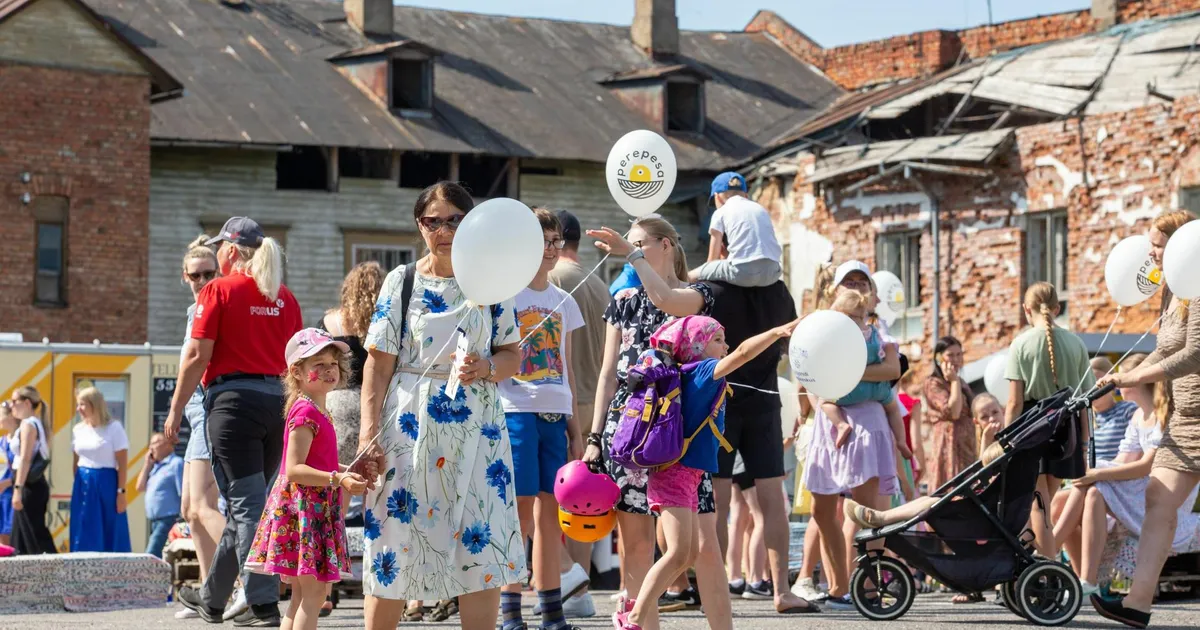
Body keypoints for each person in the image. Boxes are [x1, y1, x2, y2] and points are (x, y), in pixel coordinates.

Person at [356, 182, 525, 630]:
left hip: (478, 431)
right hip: (407, 426)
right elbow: (377, 361)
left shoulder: (493, 282)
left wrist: (487, 367)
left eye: (456, 219)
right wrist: (366, 433)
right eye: (435, 221)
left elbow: (514, 355)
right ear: (420, 226)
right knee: (393, 540)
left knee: (479, 541)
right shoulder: (402, 280)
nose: (445, 229)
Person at [582, 217, 735, 624]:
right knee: (636, 545)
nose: (628, 251)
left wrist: (630, 255)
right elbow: (607, 371)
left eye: (637, 244)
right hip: (630, 429)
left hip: (682, 431)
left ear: (665, 244)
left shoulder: (697, 294)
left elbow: (666, 299)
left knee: (703, 546)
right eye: (628, 246)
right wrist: (595, 436)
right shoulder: (624, 298)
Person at [616, 316, 804, 630]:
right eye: (717, 340)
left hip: (688, 476)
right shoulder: (701, 370)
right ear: (697, 346)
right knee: (677, 553)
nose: (725, 346)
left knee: (686, 554)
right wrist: (775, 332)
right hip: (675, 475)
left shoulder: (693, 374)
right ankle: (632, 616)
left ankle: (633, 611)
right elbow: (743, 353)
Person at [168, 216, 303, 626]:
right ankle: (212, 600)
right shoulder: (285, 298)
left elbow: (196, 356)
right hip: (277, 404)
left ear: (229, 251)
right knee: (251, 506)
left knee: (247, 506)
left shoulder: (218, 290)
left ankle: (262, 600)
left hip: (232, 406)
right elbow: (297, 361)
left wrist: (175, 411)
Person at [1091, 210, 1200, 628]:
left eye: (1157, 244)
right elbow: (1163, 348)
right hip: (1187, 418)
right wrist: (1122, 373)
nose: (1150, 253)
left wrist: (1136, 376)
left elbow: (1193, 354)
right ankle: (1137, 604)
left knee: (1160, 499)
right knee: (1158, 498)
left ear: (1183, 245)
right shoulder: (1173, 289)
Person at [703, 236, 811, 615]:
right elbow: (790, 345)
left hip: (721, 397)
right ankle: (781, 590)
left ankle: (713, 589)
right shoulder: (779, 290)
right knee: (771, 499)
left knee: (716, 500)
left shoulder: (711, 287)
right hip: (765, 398)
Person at [497, 208, 585, 630]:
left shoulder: (564, 301)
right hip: (514, 411)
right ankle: (509, 606)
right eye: (541, 241)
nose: (550, 249)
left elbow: (566, 365)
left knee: (551, 516)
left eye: (555, 240)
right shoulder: (505, 296)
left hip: (555, 412)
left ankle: (552, 608)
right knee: (518, 513)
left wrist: (576, 428)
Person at [246, 329, 365, 630]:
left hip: (312, 507)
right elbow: (295, 468)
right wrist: (338, 478)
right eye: (318, 364)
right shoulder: (305, 412)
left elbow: (315, 462)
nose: (328, 370)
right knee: (313, 595)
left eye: (333, 364)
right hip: (305, 510)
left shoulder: (318, 410)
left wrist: (343, 470)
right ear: (296, 372)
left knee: (302, 595)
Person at [803, 261, 902, 610]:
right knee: (820, 509)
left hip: (867, 421)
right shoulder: (820, 328)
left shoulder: (879, 334)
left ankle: (867, 588)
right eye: (850, 281)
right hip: (830, 423)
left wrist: (845, 371)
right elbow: (810, 374)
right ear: (836, 291)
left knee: (863, 512)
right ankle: (839, 586)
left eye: (864, 282)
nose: (858, 287)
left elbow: (892, 369)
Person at [546, 209, 609, 618]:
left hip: (562, 398)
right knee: (581, 502)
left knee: (546, 501)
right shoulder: (601, 285)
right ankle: (579, 590)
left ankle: (562, 580)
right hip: (594, 399)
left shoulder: (550, 280)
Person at [1004, 282, 1093, 557]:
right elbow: (1084, 399)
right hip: (1067, 429)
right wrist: (1085, 438)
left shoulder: (1020, 344)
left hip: (1033, 428)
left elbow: (1015, 402)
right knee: (1044, 506)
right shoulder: (1076, 343)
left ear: (1025, 309)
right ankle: (1039, 561)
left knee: (1038, 507)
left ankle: (1047, 573)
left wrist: (1006, 440)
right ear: (1057, 308)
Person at [316, 260, 384, 616]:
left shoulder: (329, 322)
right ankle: (387, 587)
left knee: (335, 509)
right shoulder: (384, 322)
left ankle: (325, 590)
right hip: (373, 410)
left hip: (337, 408)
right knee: (381, 504)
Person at [174, 235, 234, 619]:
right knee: (189, 509)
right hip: (194, 409)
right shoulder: (193, 310)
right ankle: (215, 596)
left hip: (207, 404)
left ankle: (251, 572)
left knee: (202, 504)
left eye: (208, 273)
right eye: (195, 275)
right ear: (185, 277)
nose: (202, 280)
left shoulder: (220, 303)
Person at [1052, 354, 1156, 575]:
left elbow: (1139, 462)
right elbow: (1122, 457)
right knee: (1058, 503)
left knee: (1087, 490)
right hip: (1109, 476)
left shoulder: (1130, 411)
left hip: (1126, 483)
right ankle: (1080, 576)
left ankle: (1049, 549)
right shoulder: (1086, 416)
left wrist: (1097, 473)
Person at [820, 291, 912, 463]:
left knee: (824, 401)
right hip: (878, 389)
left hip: (851, 390)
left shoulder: (841, 336)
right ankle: (901, 440)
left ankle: (841, 425)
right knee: (893, 408)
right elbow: (885, 355)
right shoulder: (874, 333)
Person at [843, 441, 1007, 529]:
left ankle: (882, 518)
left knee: (929, 502)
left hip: (972, 515)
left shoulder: (1002, 488)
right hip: (968, 509)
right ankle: (881, 516)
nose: (988, 476)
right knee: (926, 500)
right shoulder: (997, 486)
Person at [689, 172, 782, 288]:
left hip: (744, 273)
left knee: (693, 275)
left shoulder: (720, 212)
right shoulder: (760, 209)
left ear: (717, 197)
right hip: (774, 272)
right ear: (746, 196)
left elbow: (712, 259)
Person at [70, 387, 131, 552]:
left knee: (109, 524)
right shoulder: (78, 429)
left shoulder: (114, 428)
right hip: (83, 483)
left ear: (94, 405)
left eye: (82, 404)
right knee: (82, 523)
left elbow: (122, 463)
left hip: (106, 481)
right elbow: (75, 461)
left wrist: (121, 492)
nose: (78, 409)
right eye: (78, 405)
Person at [924, 336, 977, 492]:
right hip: (948, 444)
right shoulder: (934, 383)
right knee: (949, 489)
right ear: (939, 358)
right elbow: (954, 412)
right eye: (950, 355)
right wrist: (953, 382)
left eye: (959, 354)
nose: (956, 359)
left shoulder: (962, 382)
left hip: (966, 445)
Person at [8, 386, 56, 555]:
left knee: (32, 535)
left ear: (27, 403)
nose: (11, 406)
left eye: (15, 401)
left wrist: (18, 489)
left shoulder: (29, 424)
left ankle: (53, 572)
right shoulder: (32, 423)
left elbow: (25, 459)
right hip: (30, 485)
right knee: (27, 533)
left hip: (29, 486)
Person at [139, 432, 185, 557]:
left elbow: (183, 491)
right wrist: (147, 465)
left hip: (169, 519)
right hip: (154, 520)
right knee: (160, 555)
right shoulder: (155, 467)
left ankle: (145, 576)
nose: (151, 448)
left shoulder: (176, 464)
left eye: (155, 443)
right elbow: (139, 487)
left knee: (151, 554)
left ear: (167, 445)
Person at [1089, 357, 1138, 463]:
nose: (1093, 389)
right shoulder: (1080, 415)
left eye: (1100, 384)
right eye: (1088, 384)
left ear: (1112, 385)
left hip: (1114, 475)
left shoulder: (1128, 410)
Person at [0, 403, 17, 548]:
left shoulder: (19, 440)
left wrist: (7, 483)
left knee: (12, 535)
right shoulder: (2, 441)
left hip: (13, 494)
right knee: (2, 538)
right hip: (1, 495)